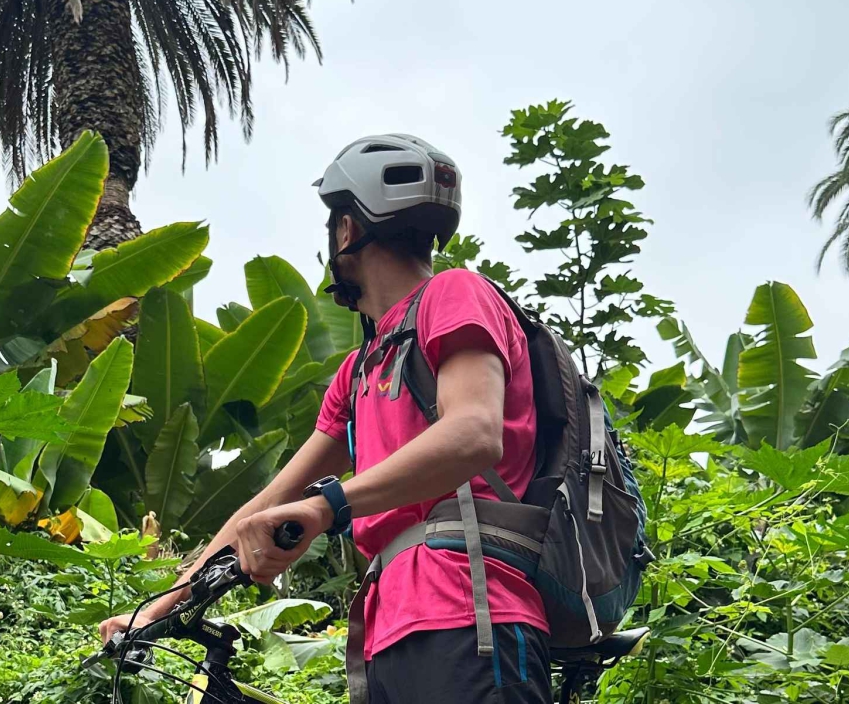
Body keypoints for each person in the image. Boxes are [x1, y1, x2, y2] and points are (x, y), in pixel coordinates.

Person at [100, 134, 551, 704]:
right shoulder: (361, 370)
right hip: (387, 634)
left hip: (470, 613)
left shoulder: (454, 293)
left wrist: (326, 505)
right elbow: (268, 499)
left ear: (347, 228)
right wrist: (157, 609)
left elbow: (474, 433)